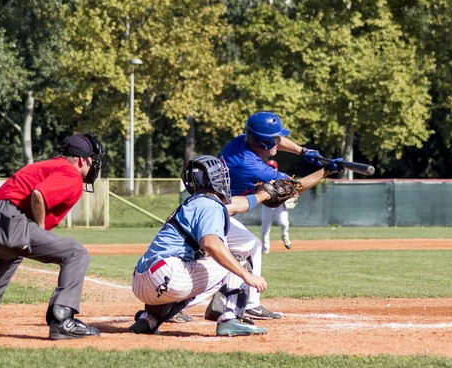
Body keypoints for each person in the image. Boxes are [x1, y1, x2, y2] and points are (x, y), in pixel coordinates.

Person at [0, 133, 105, 340]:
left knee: (9, 254)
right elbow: (39, 194)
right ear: (83, 160)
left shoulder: (45, 166)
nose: (93, 167)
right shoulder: (71, 174)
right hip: (7, 220)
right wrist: (39, 229)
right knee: (77, 253)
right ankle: (62, 319)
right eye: (93, 161)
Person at [215, 111, 345, 320]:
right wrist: (325, 171)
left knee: (205, 256)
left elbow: (277, 141)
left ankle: (169, 304)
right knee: (251, 246)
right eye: (273, 139)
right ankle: (251, 304)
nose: (278, 142)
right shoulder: (251, 165)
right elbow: (292, 187)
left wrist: (303, 151)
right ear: (262, 142)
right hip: (217, 214)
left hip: (213, 207)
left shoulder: (240, 142)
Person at [130, 155, 277, 336]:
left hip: (140, 280)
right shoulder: (210, 206)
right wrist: (247, 276)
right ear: (214, 179)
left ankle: (149, 319)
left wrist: (264, 195)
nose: (224, 178)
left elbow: (238, 205)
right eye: (221, 175)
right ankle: (229, 319)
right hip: (166, 275)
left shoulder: (193, 204)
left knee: (195, 261)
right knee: (236, 259)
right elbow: (211, 243)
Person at [260, 159, 294, 254]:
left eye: (273, 167)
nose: (271, 169)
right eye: (269, 167)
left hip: (280, 204)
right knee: (265, 227)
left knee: (284, 223)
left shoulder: (282, 177)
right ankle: (265, 248)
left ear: (277, 168)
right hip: (267, 204)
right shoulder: (262, 177)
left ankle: (285, 237)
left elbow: (292, 186)